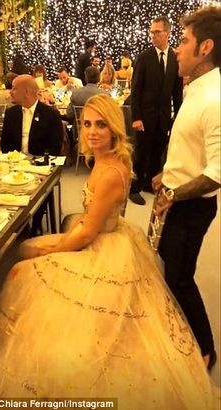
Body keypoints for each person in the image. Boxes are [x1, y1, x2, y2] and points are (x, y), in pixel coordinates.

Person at [0, 94, 218, 409]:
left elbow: (87, 233)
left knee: (24, 267)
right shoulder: (107, 161)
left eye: (101, 125)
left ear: (114, 131)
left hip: (100, 244)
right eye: (87, 124)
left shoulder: (109, 172)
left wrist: (45, 249)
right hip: (102, 234)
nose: (92, 132)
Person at [152, 6, 221, 371]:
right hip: (176, 197)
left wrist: (174, 194)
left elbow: (217, 172)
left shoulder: (215, 98)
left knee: (180, 277)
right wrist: (168, 175)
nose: (177, 49)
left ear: (206, 47)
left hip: (191, 208)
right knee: (170, 268)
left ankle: (205, 352)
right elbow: (191, 146)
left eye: (184, 41)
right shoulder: (196, 88)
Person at [130, 16, 183, 205]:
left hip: (163, 119)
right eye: (151, 32)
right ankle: (133, 188)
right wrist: (136, 117)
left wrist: (178, 118)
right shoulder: (144, 58)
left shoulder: (176, 59)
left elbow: (177, 93)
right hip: (144, 118)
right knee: (141, 154)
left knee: (157, 153)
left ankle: (148, 184)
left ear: (167, 34)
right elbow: (135, 90)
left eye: (157, 32)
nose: (153, 35)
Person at [0, 74, 63, 156]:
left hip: (39, 165)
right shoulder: (11, 113)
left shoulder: (50, 114)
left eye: (14, 88)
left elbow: (55, 147)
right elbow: (4, 143)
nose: (10, 92)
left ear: (26, 92)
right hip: (14, 164)